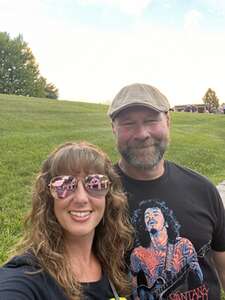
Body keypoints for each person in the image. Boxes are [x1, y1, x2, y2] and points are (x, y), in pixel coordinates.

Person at [107, 83, 225, 299]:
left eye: (151, 120)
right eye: (128, 123)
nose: (142, 134)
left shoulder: (202, 189)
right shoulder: (96, 197)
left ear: (168, 121)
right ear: (113, 128)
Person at [0, 141, 133, 300]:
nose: (81, 198)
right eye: (64, 185)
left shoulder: (112, 260)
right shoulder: (28, 274)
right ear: (49, 197)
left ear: (108, 197)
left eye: (95, 183)